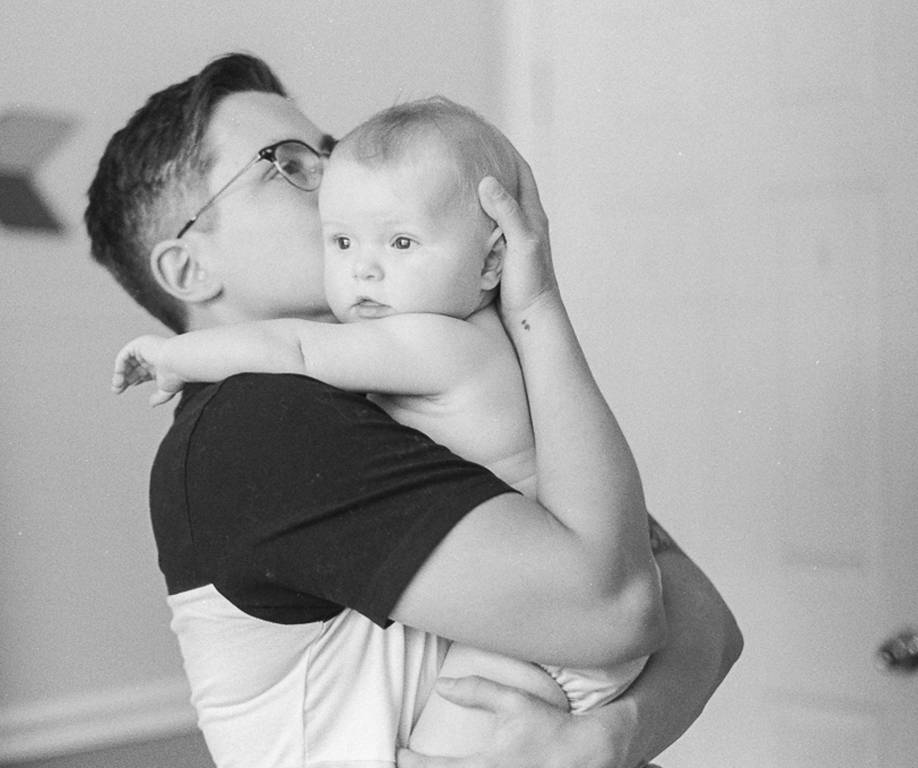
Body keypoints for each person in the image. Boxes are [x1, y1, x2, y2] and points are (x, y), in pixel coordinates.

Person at [85, 52, 742, 768]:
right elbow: (629, 606)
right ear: (190, 269)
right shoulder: (260, 425)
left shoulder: (397, 389)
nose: (339, 177)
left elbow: (696, 605)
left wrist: (602, 742)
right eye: (286, 164)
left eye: (331, 151)